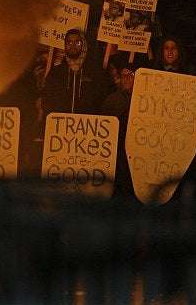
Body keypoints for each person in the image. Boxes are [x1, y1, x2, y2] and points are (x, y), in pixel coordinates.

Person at [42, 29, 111, 116]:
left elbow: (102, 99)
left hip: (86, 125)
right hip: (60, 125)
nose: (73, 46)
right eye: (69, 43)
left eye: (77, 43)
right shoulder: (56, 73)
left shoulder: (95, 72)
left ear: (83, 45)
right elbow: (47, 99)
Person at [102, 62, 137, 197]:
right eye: (124, 76)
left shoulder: (144, 99)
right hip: (117, 154)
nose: (127, 79)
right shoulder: (111, 100)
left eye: (131, 75)